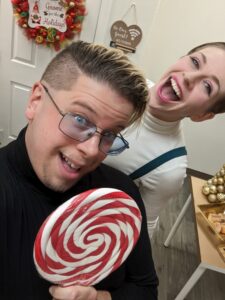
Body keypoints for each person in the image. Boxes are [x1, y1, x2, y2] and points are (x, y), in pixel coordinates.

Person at [0, 41, 158, 300]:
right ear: (36, 101)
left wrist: (99, 298)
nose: (93, 149)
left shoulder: (119, 197)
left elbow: (146, 289)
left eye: (110, 134)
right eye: (80, 119)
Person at [105, 42, 225, 236]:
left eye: (207, 86)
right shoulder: (120, 79)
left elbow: (143, 225)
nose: (189, 77)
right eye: (195, 62)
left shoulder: (169, 169)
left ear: (202, 115)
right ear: (180, 59)